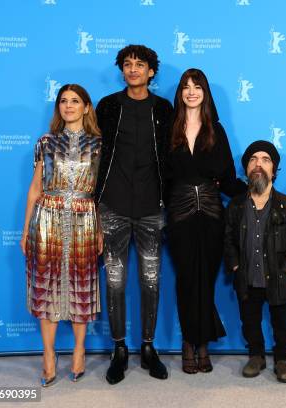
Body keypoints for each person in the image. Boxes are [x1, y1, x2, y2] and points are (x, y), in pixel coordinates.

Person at [95, 44, 173, 384]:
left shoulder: (163, 108)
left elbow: (174, 154)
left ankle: (148, 347)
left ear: (151, 71)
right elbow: (94, 150)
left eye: (140, 64)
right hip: (112, 206)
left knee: (151, 281)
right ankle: (119, 349)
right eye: (127, 64)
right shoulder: (108, 106)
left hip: (151, 210)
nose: (133, 69)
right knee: (114, 281)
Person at [21, 84, 103, 386]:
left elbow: (103, 193)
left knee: (81, 285)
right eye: (63, 101)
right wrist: (25, 229)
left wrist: (101, 231)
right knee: (46, 287)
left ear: (86, 107)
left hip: (84, 218)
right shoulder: (45, 142)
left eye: (75, 101)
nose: (68, 106)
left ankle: (79, 351)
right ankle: (48, 355)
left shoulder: (98, 145)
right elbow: (34, 188)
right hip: (47, 220)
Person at [165, 68, 246, 374]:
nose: (191, 91)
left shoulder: (217, 130)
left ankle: (203, 345)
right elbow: (162, 176)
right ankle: (189, 342)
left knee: (206, 280)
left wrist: (255, 191)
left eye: (196, 86)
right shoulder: (168, 129)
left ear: (205, 92)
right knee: (187, 279)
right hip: (179, 214)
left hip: (213, 215)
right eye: (186, 87)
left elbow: (226, 179)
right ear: (180, 93)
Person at [224, 141, 286, 383]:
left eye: (265, 159)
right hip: (247, 276)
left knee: (283, 321)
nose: (258, 164)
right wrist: (236, 266)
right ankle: (256, 356)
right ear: (246, 169)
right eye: (253, 159)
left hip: (280, 277)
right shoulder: (236, 205)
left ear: (274, 170)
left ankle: (282, 360)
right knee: (249, 320)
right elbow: (227, 238)